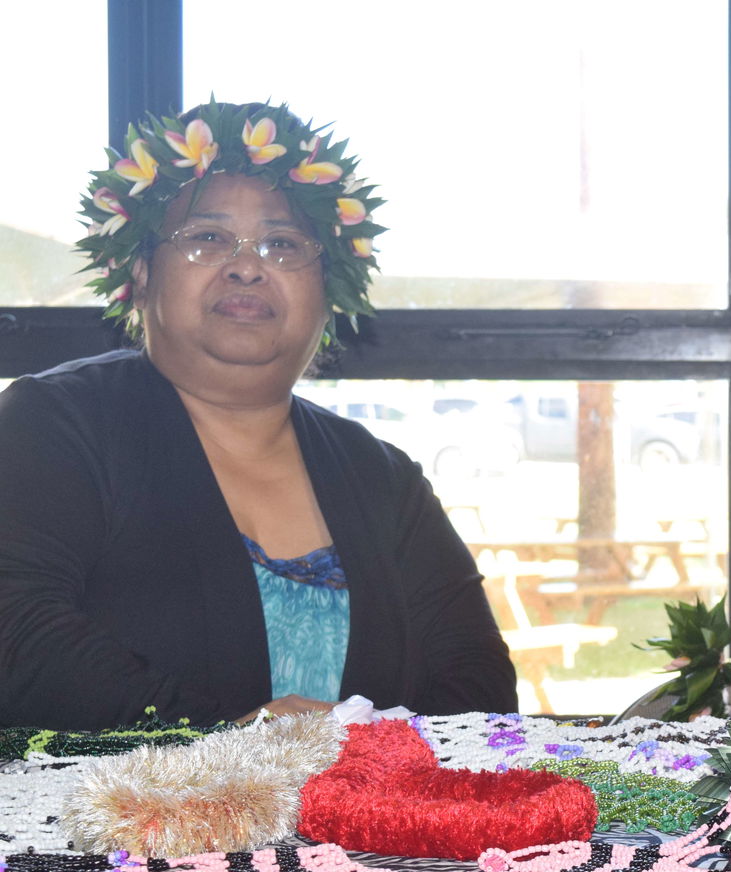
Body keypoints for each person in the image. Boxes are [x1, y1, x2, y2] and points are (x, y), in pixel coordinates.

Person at [0, 101, 516, 729]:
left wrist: (372, 757)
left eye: (283, 244)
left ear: (328, 294)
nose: (247, 266)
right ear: (142, 273)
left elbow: (480, 686)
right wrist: (233, 742)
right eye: (207, 238)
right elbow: (17, 632)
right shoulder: (53, 424)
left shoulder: (381, 475)